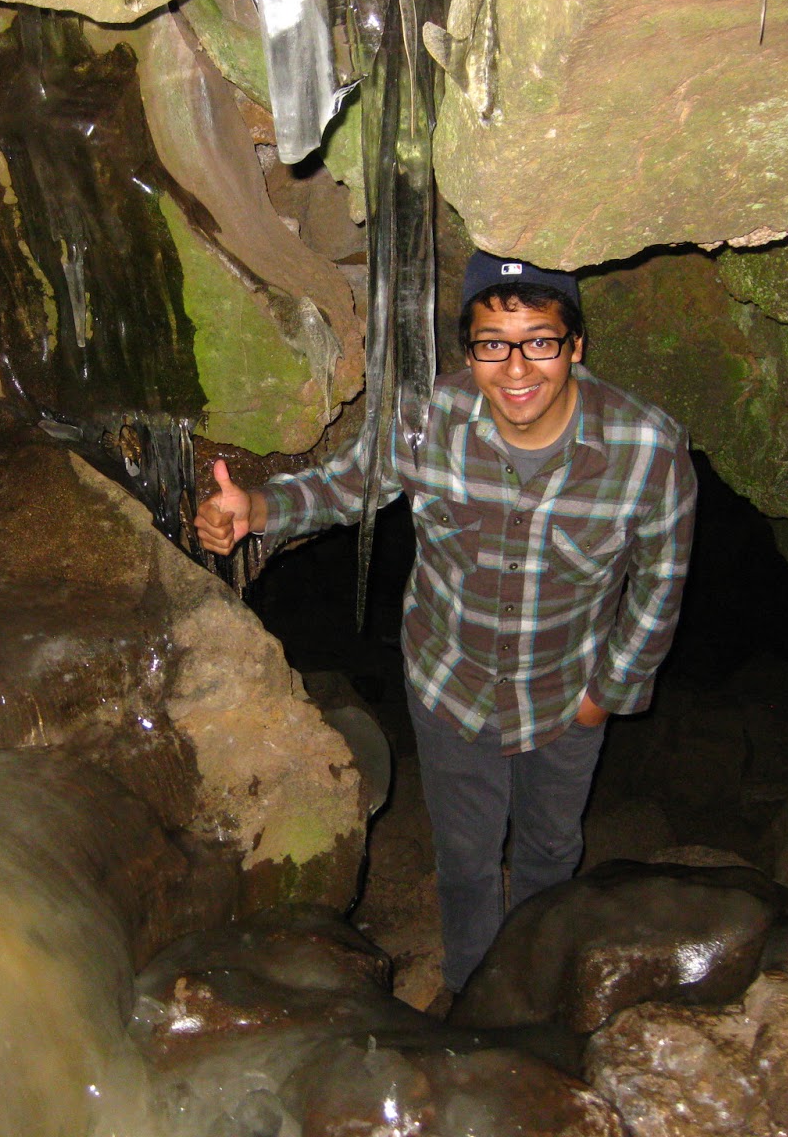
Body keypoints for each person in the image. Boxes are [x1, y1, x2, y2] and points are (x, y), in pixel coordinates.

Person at [195, 251, 697, 992]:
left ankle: (528, 992)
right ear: (470, 350)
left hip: (564, 698)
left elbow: (661, 583)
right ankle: (469, 994)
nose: (517, 366)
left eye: (540, 340)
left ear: (576, 345)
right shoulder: (427, 420)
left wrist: (607, 695)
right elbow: (345, 487)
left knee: (549, 856)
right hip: (449, 687)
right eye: (493, 343)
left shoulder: (647, 449)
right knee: (464, 861)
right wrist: (259, 510)